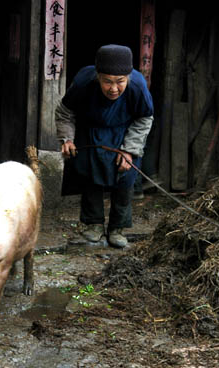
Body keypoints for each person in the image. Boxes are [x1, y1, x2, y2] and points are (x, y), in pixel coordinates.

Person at [55, 44, 154, 247]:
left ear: (128, 77)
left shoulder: (137, 86)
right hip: (90, 132)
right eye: (107, 81)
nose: (114, 88)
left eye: (120, 82)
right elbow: (65, 112)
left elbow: (145, 118)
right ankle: (94, 225)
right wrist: (67, 138)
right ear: (98, 76)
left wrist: (129, 149)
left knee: (125, 178)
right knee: (90, 175)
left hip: (125, 133)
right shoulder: (84, 81)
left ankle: (117, 228)